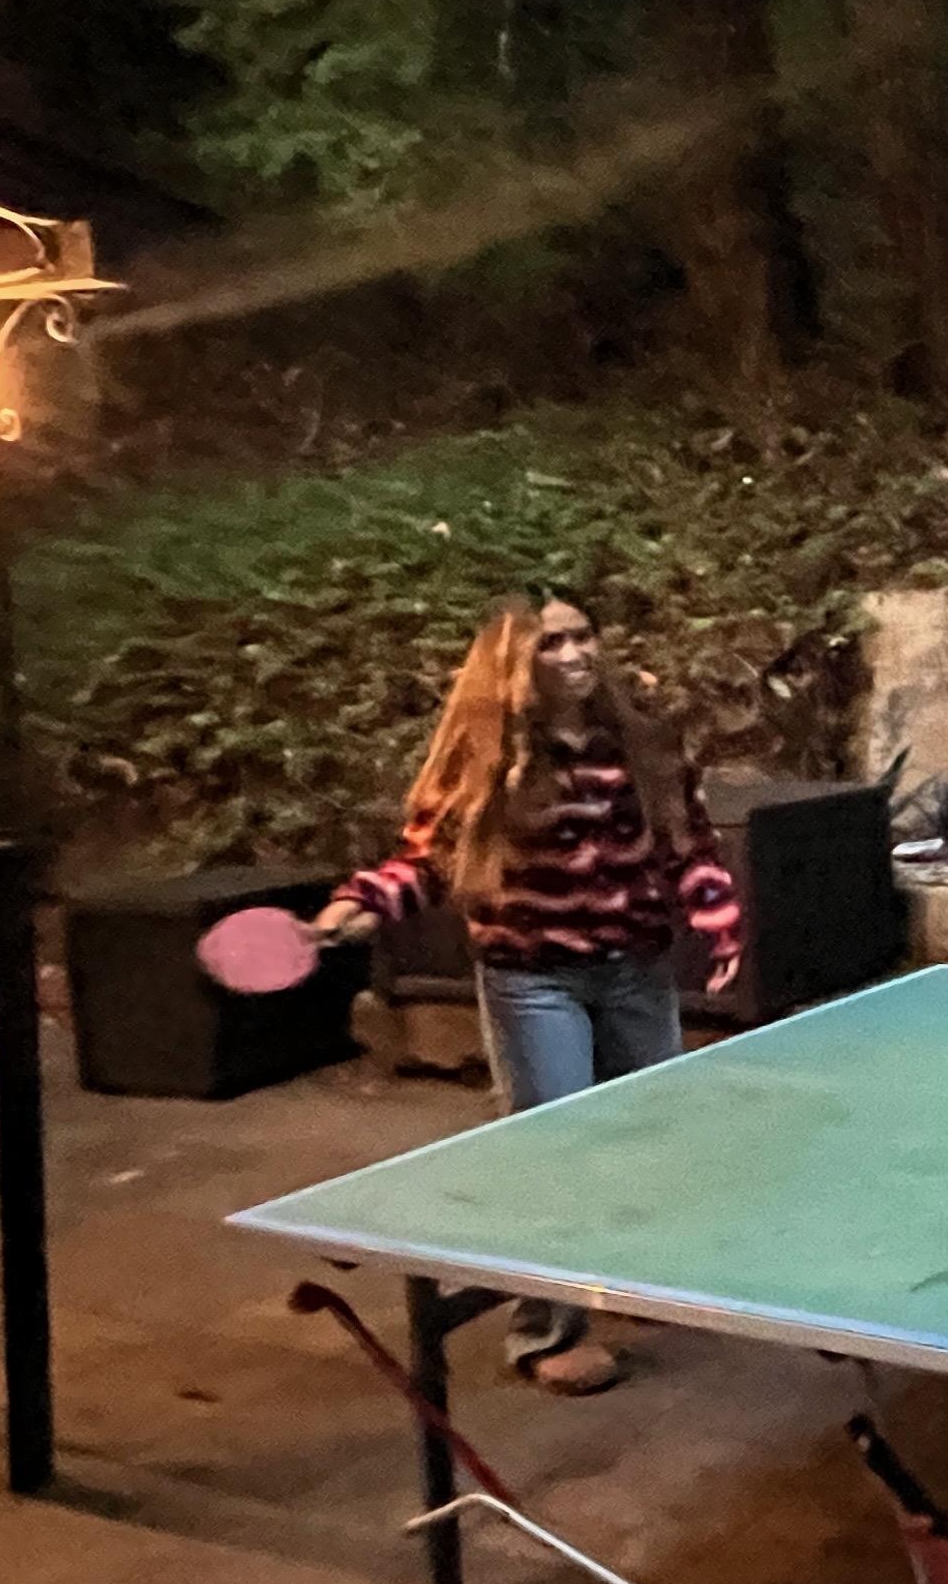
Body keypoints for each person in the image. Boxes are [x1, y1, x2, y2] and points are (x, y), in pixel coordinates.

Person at [313, 588, 742, 1395]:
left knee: (650, 1136)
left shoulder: (639, 741)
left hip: (635, 967)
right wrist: (360, 904)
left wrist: (716, 915)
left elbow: (689, 841)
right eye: (552, 644)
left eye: (584, 636)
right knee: (555, 1155)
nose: (576, 655)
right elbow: (428, 861)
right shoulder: (484, 757)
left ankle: (630, 1279)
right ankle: (543, 1331)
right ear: (514, 661)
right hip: (533, 976)